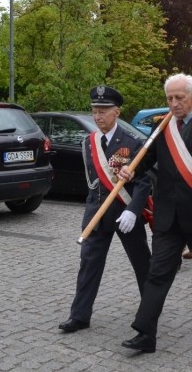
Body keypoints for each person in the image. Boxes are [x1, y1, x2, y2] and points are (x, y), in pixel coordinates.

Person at [118, 73, 192, 353]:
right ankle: (145, 332)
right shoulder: (163, 128)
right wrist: (131, 169)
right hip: (167, 217)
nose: (174, 103)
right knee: (157, 273)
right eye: (170, 98)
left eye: (179, 98)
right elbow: (147, 159)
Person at [58, 86, 152, 333]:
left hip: (125, 212)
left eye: (103, 111)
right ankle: (79, 316)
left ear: (117, 112)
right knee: (89, 263)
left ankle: (150, 310)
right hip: (96, 213)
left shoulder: (133, 143)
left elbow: (144, 181)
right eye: (95, 112)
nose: (98, 116)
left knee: (142, 263)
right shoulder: (89, 143)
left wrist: (134, 209)